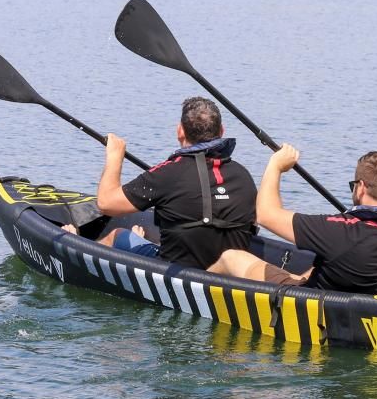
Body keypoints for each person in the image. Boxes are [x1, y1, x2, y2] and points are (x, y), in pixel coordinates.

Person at [211, 146, 377, 294]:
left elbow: (265, 215)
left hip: (319, 303)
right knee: (313, 269)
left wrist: (276, 165)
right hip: (376, 296)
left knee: (231, 256)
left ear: (361, 188)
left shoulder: (339, 231)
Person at [91, 97, 257, 270]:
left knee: (117, 235)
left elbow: (106, 203)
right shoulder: (243, 175)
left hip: (177, 273)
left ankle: (77, 252)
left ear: (180, 131)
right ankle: (140, 241)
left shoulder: (167, 173)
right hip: (229, 276)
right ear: (222, 131)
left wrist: (115, 157)